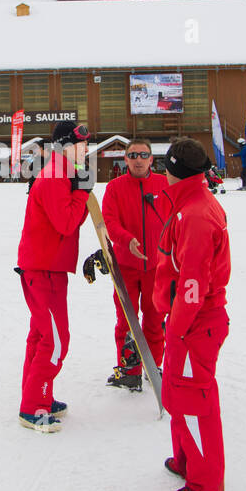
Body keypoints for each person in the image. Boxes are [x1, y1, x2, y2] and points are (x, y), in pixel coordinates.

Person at [154, 138, 231, 491]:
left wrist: (177, 326)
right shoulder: (188, 202)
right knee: (179, 393)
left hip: (195, 321)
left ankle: (204, 482)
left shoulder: (196, 214)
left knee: (192, 397)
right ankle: (187, 459)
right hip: (187, 319)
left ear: (173, 171)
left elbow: (192, 283)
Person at [16, 120, 93, 432]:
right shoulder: (54, 176)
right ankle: (35, 405)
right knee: (56, 340)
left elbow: (72, 218)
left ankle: (37, 397)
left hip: (50, 266)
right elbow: (66, 223)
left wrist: (81, 191)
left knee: (41, 335)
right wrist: (83, 192)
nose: (87, 149)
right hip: (42, 268)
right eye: (82, 144)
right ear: (66, 146)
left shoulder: (65, 173)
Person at [86, 137, 167, 392]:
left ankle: (153, 367)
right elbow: (109, 220)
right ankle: (129, 370)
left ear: (152, 159)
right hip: (126, 268)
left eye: (143, 155)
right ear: (126, 159)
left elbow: (175, 219)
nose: (138, 160)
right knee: (126, 322)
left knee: (155, 321)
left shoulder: (164, 185)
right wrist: (127, 240)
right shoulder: (115, 187)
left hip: (157, 266)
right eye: (133, 155)